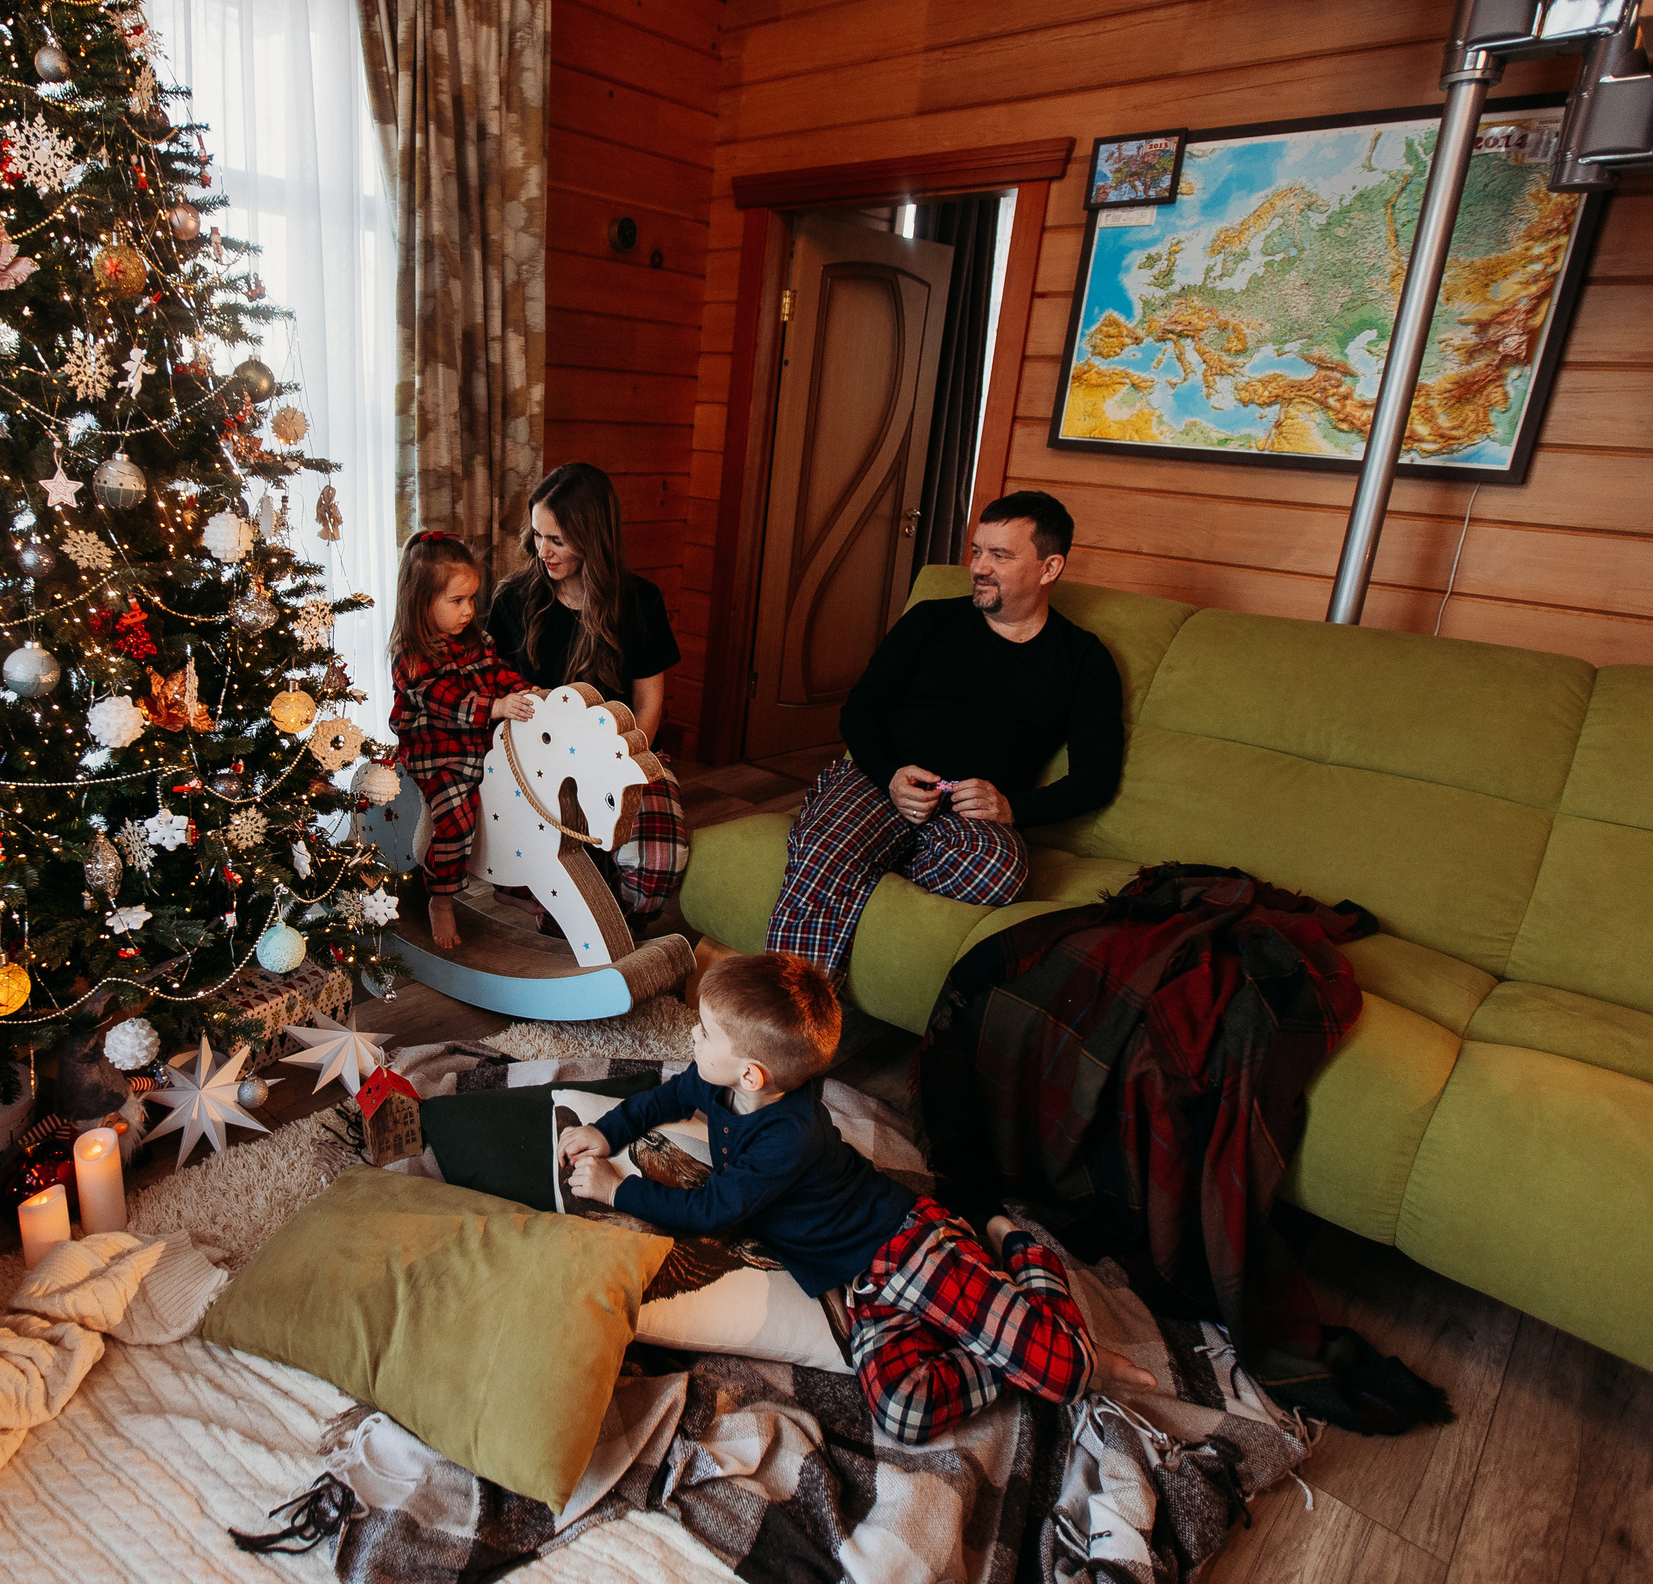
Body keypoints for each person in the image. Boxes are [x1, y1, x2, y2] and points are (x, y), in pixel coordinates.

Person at [562, 950, 1152, 1442]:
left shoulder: (787, 1139)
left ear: (752, 1075)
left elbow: (711, 1210)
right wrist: (607, 1131)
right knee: (903, 1413)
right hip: (860, 1282)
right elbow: (662, 1100)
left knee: (1067, 1370)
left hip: (906, 1245)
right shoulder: (718, 1086)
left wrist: (621, 1191)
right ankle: (1012, 1339)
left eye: (705, 1031)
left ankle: (1019, 1252)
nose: (691, 1034)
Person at [763, 490, 1124, 977]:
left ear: (1049, 567)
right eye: (976, 550)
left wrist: (1013, 807)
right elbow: (861, 709)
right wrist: (890, 774)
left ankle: (864, 856)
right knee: (827, 855)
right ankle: (773, 1027)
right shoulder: (932, 620)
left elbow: (1096, 777)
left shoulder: (1083, 660)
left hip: (970, 816)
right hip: (882, 781)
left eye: (1000, 555)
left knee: (998, 872)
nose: (978, 566)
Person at [485, 462, 688, 925]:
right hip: (538, 765)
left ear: (594, 537)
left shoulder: (639, 602)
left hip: (620, 758)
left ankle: (602, 907)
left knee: (657, 867)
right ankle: (558, 897)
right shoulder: (513, 601)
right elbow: (492, 692)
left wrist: (616, 768)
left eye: (557, 540)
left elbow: (648, 708)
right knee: (558, 890)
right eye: (537, 535)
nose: (543, 552)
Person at [389, 530, 541, 950]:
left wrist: (524, 691)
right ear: (422, 602)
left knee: (519, 800)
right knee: (457, 813)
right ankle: (440, 898)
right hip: (436, 752)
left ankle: (512, 885)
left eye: (472, 599)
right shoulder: (411, 655)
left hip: (480, 745)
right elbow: (446, 702)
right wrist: (496, 708)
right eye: (456, 601)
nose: (468, 611)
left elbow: (497, 673)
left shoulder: (475, 639)